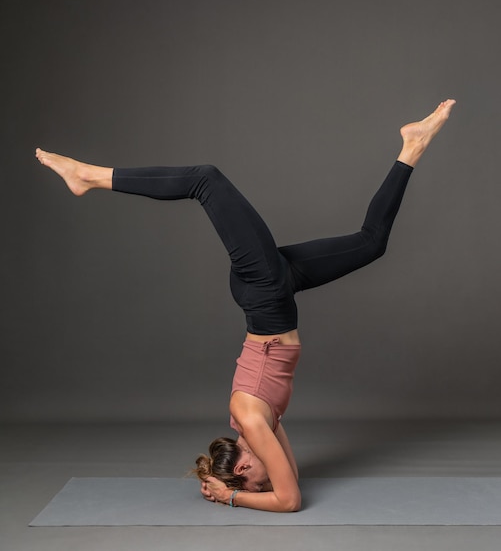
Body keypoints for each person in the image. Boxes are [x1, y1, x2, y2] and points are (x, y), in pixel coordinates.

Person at [36, 99, 456, 512]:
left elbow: (289, 500)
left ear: (241, 464)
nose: (265, 479)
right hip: (278, 291)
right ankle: (412, 146)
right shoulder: (259, 431)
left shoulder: (251, 422)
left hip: (265, 292)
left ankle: (87, 176)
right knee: (371, 243)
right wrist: (234, 485)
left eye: (256, 478)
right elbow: (289, 478)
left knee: (206, 180)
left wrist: (232, 496)